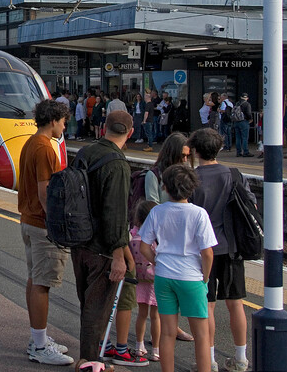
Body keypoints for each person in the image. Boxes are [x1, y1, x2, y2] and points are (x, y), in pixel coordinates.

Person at [73, 110, 148, 367]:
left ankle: (90, 356)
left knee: (87, 303)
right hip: (102, 248)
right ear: (130, 132)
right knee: (97, 308)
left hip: (79, 241)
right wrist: (119, 256)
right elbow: (116, 214)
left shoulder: (85, 153)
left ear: (103, 128)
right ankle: (90, 362)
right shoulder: (117, 164)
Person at [187, 128, 257, 372]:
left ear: (195, 150)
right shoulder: (234, 175)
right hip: (232, 248)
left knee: (207, 306)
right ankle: (240, 358)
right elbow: (250, 204)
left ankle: (210, 360)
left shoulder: (192, 178)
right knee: (235, 302)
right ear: (219, 149)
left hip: (201, 251)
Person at [139, 165, 216, 372]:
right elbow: (207, 253)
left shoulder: (157, 211)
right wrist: (205, 278)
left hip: (164, 276)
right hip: (192, 277)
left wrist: (157, 261)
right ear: (192, 188)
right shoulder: (199, 214)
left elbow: (144, 247)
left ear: (165, 187)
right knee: (201, 335)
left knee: (167, 332)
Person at [18, 99, 74, 366]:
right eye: (64, 122)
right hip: (42, 225)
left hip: (29, 221)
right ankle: (40, 347)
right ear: (54, 120)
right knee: (42, 284)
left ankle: (38, 337)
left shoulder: (30, 143)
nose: (65, 127)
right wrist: (56, 225)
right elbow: (45, 191)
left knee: (34, 280)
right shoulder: (45, 149)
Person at [130, 200, 161, 363]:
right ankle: (156, 350)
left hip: (140, 279)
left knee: (141, 315)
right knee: (156, 316)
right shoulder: (156, 237)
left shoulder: (133, 235)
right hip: (155, 281)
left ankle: (139, 345)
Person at [145, 132, 191, 205]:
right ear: (172, 153)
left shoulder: (186, 175)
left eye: (187, 156)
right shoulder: (154, 175)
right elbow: (152, 206)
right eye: (182, 155)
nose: (185, 160)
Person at [233, 93, 254, 157]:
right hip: (244, 121)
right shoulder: (247, 104)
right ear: (247, 98)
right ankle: (245, 152)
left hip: (236, 122)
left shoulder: (237, 103)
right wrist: (250, 119)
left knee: (238, 137)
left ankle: (238, 152)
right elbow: (248, 113)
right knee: (244, 137)